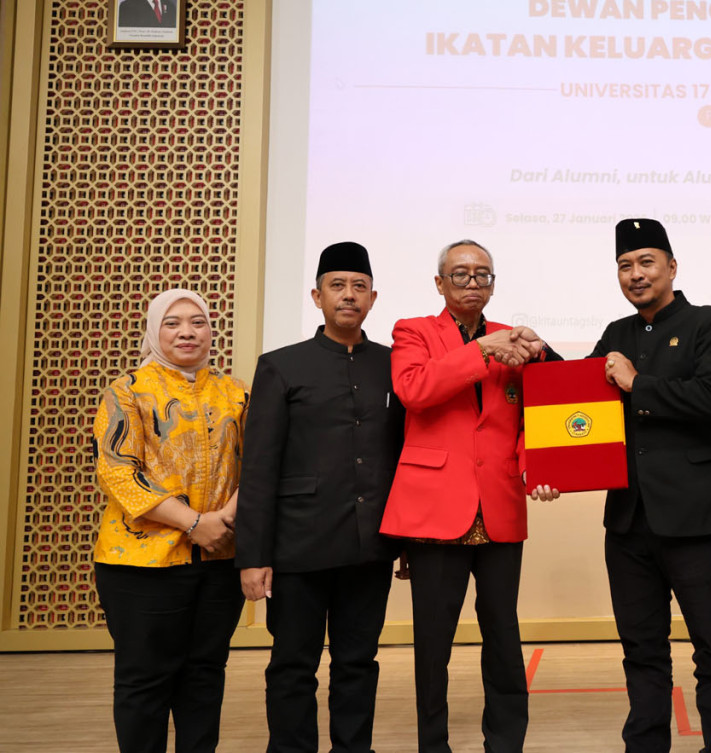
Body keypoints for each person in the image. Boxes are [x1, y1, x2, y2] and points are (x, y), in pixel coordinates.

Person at [379, 239, 558, 753]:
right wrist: (481, 351)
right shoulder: (413, 331)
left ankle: (505, 742)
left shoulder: (512, 338)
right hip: (434, 507)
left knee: (503, 633)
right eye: (461, 274)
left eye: (484, 275)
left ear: (494, 284)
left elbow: (531, 417)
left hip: (500, 503)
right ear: (440, 283)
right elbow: (415, 390)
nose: (474, 282)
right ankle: (433, 744)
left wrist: (536, 468)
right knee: (433, 643)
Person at [236, 242, 405, 753]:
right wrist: (253, 557)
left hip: (369, 543)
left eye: (358, 287)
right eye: (337, 286)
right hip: (298, 546)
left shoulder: (394, 365)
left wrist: (408, 539)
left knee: (358, 661)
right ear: (316, 296)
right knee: (292, 663)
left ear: (373, 298)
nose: (348, 296)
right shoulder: (281, 366)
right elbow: (260, 467)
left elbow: (405, 457)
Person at [589, 218, 711, 753]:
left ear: (672, 267)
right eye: (625, 266)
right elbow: (577, 402)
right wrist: (539, 355)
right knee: (641, 649)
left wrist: (639, 384)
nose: (636, 275)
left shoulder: (710, 324)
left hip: (695, 519)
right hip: (629, 522)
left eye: (646, 263)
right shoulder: (616, 334)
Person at [91, 288, 247, 753]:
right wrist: (194, 521)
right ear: (154, 329)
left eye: (197, 321)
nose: (187, 332)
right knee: (145, 681)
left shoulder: (236, 393)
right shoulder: (128, 390)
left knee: (205, 677)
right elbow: (117, 472)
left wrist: (224, 520)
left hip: (220, 556)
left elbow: (259, 464)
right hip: (140, 562)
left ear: (211, 330)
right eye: (173, 322)